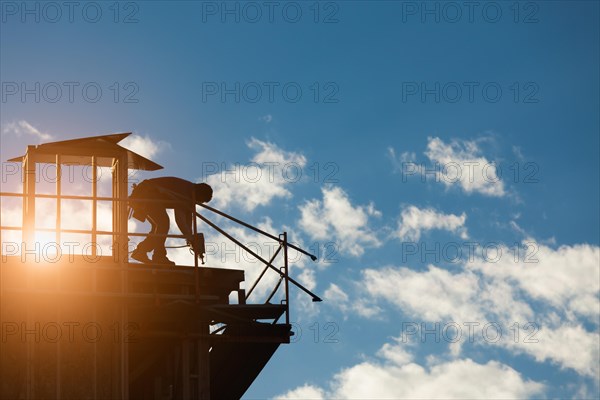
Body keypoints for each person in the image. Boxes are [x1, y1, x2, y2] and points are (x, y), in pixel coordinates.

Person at [129, 177, 213, 265]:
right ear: (198, 194)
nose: (196, 203)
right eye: (199, 200)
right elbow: (180, 220)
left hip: (145, 192)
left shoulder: (190, 193)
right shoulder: (185, 193)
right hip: (147, 192)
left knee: (158, 227)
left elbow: (188, 219)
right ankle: (159, 257)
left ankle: (141, 251)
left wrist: (190, 238)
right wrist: (190, 238)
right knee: (163, 224)